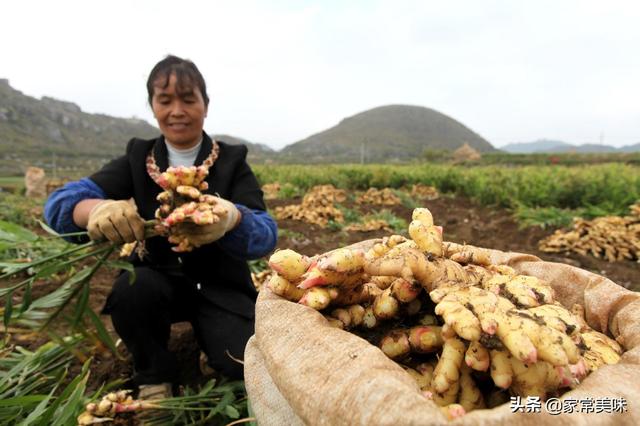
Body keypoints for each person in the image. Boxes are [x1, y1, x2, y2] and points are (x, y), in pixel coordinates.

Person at [44, 55, 278, 399]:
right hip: (156, 281)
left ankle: (212, 351)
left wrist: (233, 218)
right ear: (153, 107)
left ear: (205, 105)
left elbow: (267, 233)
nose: (177, 111)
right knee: (132, 292)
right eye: (165, 101)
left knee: (240, 361)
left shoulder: (231, 161)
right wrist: (95, 210)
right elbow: (60, 204)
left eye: (188, 99)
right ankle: (153, 374)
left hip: (220, 285)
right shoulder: (140, 157)